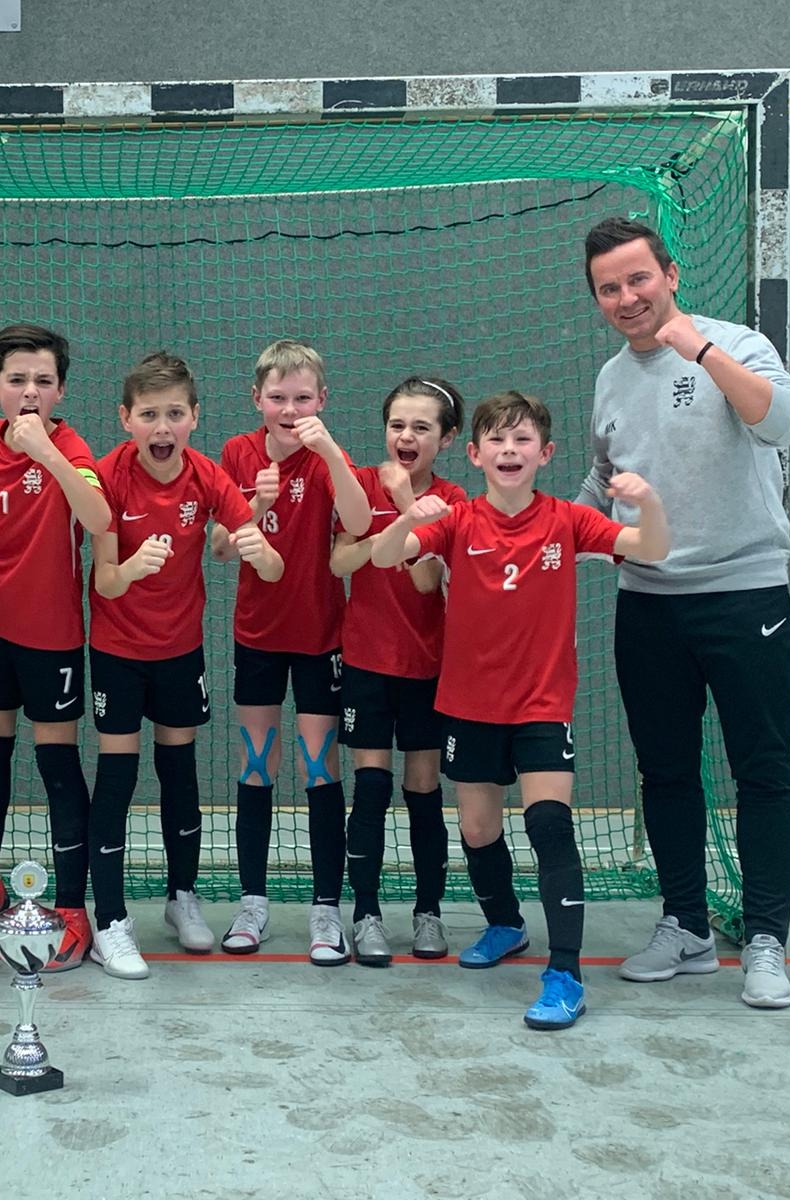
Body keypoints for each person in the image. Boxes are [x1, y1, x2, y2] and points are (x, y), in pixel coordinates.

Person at [370, 390, 668, 1029]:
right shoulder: (458, 521)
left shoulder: (568, 520)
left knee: (550, 825)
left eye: (523, 439)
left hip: (541, 703)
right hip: (469, 703)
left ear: (546, 453)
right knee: (478, 830)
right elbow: (384, 556)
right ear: (476, 455)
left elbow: (652, 548)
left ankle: (565, 973)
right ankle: (506, 924)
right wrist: (405, 514)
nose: (510, 450)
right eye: (497, 440)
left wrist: (648, 502)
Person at [581, 216, 790, 1009]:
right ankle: (684, 924)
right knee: (666, 769)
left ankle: (766, 938)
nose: (626, 297)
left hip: (746, 596)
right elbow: (601, 484)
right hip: (649, 605)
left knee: (763, 769)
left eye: (637, 279)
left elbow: (784, 422)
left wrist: (701, 352)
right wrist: (530, 535)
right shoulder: (611, 378)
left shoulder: (737, 345)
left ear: (671, 274)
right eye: (608, 288)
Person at [85, 352, 283, 979]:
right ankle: (110, 921)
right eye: (149, 415)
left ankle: (182, 897)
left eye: (174, 413)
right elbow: (105, 580)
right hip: (117, 650)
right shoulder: (107, 475)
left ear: (194, 416)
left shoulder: (206, 476)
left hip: (180, 649)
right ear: (126, 419)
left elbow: (268, 562)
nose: (162, 426)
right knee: (117, 778)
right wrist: (132, 567)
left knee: (179, 774)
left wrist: (259, 552)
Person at [0, 324, 112, 970]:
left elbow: (98, 519)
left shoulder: (72, 447)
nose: (29, 392)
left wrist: (47, 452)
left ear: (60, 391)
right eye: (17, 380)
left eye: (43, 381)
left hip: (54, 637)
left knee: (58, 769)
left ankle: (73, 909)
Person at [214, 339, 373, 965]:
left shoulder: (331, 456)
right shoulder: (238, 452)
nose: (289, 409)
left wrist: (329, 451)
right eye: (277, 397)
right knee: (257, 765)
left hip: (319, 638)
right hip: (257, 634)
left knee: (320, 768)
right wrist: (257, 503)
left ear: (322, 400)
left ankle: (325, 910)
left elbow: (359, 524)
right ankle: (252, 903)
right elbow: (219, 547)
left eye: (302, 397)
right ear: (257, 399)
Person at [329, 376, 467, 966]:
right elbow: (341, 560)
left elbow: (426, 578)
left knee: (424, 791)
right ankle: (365, 915)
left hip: (428, 665)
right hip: (366, 661)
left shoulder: (453, 500)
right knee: (371, 788)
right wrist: (388, 523)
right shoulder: (361, 484)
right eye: (397, 425)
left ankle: (428, 912)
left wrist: (408, 504)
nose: (406, 437)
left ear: (448, 438)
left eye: (421, 427)